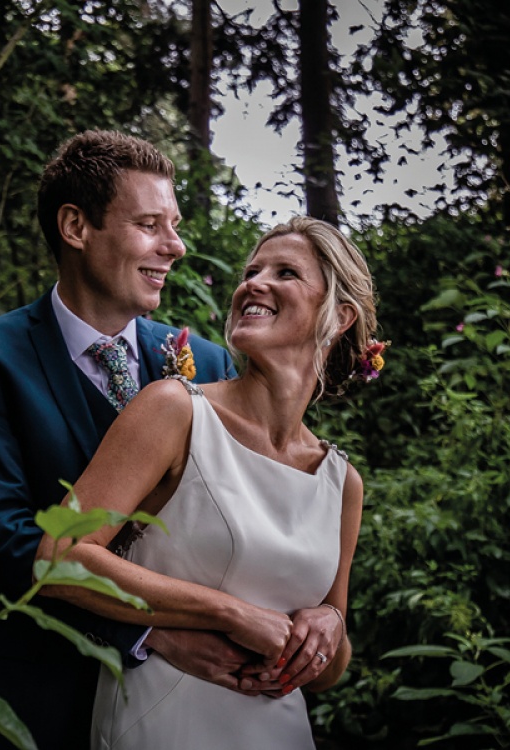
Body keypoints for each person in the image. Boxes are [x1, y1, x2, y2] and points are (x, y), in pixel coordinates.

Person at [0, 130, 244, 750]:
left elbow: (245, 512)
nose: (175, 246)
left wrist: (322, 607)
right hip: (40, 697)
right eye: (150, 224)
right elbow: (10, 539)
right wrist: (151, 633)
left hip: (193, 704)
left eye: (174, 224)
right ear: (75, 226)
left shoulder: (206, 363)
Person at [35, 216, 381, 749]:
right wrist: (232, 614)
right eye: (252, 270)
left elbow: (331, 672)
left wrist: (331, 624)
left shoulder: (342, 481)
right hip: (162, 722)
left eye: (285, 272)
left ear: (339, 316)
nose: (254, 283)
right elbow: (59, 557)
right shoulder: (174, 410)